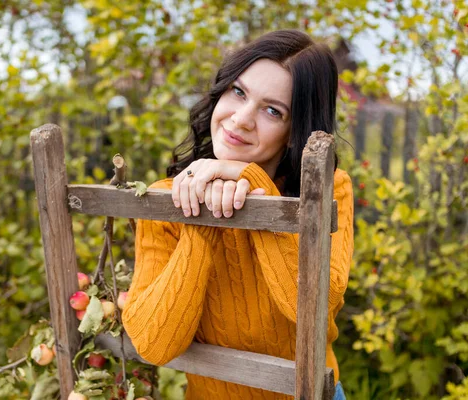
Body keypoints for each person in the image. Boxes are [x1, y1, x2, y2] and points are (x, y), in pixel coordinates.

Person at [122, 29, 353, 400]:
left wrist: (254, 182)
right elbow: (153, 343)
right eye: (238, 92)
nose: (242, 119)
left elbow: (314, 308)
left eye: (272, 110)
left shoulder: (330, 188)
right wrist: (203, 216)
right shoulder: (166, 200)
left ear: (295, 131)